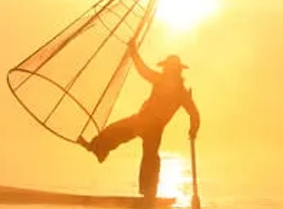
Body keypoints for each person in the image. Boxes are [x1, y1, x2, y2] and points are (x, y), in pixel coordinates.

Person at [80, 43, 200, 198]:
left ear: (177, 71)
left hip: (154, 127)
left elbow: (194, 114)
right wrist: (133, 52)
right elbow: (143, 71)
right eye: (168, 68)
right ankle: (98, 149)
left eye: (172, 69)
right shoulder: (160, 80)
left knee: (150, 158)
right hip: (142, 119)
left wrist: (193, 129)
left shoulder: (181, 93)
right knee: (114, 130)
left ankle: (148, 193)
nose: (169, 71)